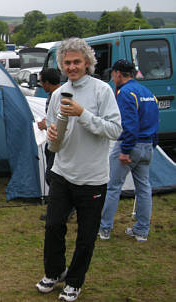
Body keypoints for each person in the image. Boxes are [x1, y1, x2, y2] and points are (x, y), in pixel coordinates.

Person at [35, 38, 122, 301]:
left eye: (77, 62)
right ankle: (54, 272)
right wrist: (51, 134)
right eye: (67, 62)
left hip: (92, 178)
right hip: (62, 172)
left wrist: (82, 113)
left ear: (87, 64)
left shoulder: (101, 91)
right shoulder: (57, 94)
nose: (72, 67)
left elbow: (115, 130)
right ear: (62, 65)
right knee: (53, 226)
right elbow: (53, 138)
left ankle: (74, 281)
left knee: (85, 236)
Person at [99, 59, 159, 242]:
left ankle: (104, 228)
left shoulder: (125, 93)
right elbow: (156, 121)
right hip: (147, 146)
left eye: (113, 75)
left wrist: (125, 150)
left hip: (130, 146)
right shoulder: (147, 92)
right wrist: (152, 145)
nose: (112, 78)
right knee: (143, 188)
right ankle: (141, 231)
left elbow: (129, 125)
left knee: (113, 187)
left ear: (118, 74)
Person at [37, 68, 61, 220]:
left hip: (57, 144)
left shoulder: (58, 96)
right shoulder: (52, 95)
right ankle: (58, 209)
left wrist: (46, 125)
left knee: (52, 177)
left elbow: (61, 123)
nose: (40, 85)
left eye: (41, 82)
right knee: (51, 177)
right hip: (52, 142)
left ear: (47, 83)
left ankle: (57, 210)